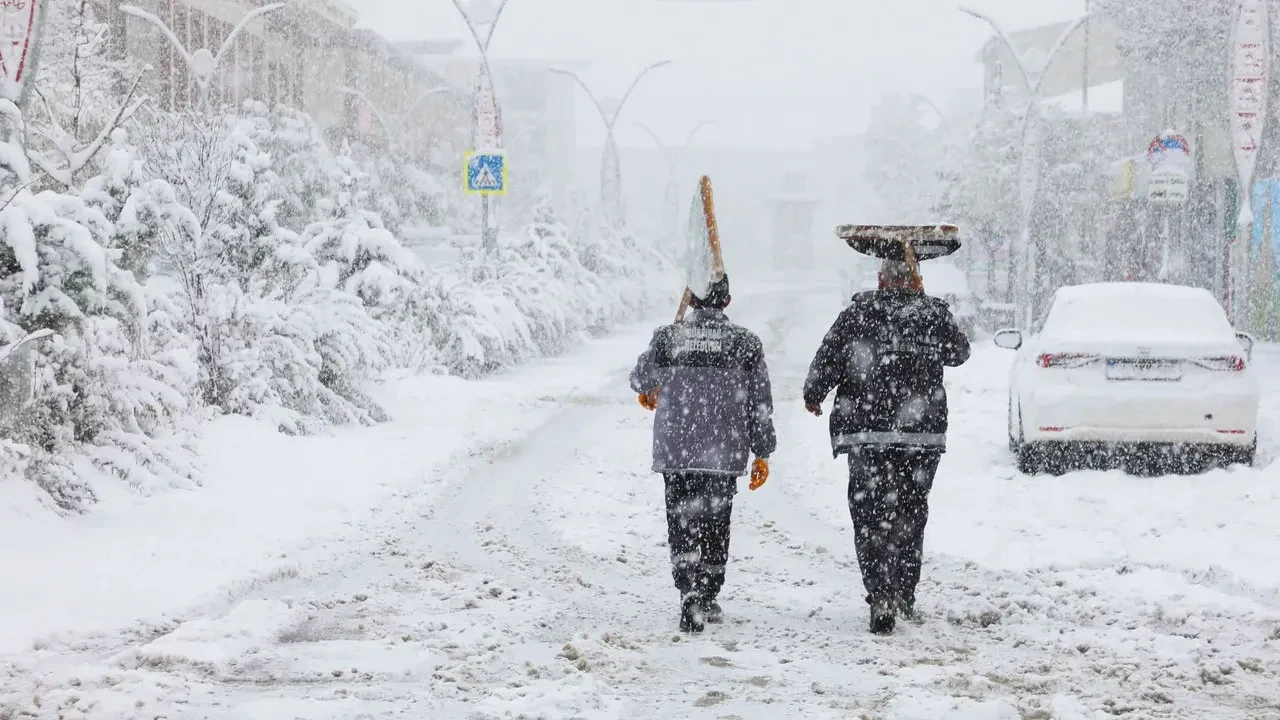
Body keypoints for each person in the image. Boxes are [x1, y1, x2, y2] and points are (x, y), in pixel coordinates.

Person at [803, 253, 970, 635]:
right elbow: (960, 353)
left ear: (881, 280)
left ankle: (880, 593)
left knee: (869, 516)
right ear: (914, 280)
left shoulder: (856, 315)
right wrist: (926, 305)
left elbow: (828, 358)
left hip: (867, 434)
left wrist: (814, 393)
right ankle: (904, 591)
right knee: (911, 512)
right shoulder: (932, 314)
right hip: (921, 436)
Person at [630, 274, 776, 633]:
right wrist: (762, 451)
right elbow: (759, 403)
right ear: (727, 301)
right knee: (716, 521)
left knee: (681, 520)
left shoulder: (668, 337)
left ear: (690, 300)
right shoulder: (745, 343)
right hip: (723, 453)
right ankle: (708, 592)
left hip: (677, 449)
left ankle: (688, 590)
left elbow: (638, 378)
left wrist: (663, 359)